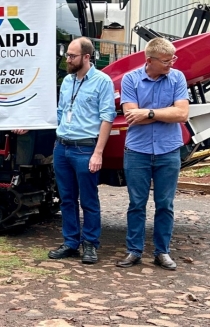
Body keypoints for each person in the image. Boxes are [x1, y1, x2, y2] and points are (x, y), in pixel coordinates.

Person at [116, 38, 188, 270]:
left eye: (172, 59)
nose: (171, 64)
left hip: (168, 150)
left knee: (165, 204)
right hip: (138, 151)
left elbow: (182, 114)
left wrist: (147, 113)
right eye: (167, 61)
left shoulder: (177, 77)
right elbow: (130, 115)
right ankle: (134, 251)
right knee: (136, 203)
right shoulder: (131, 79)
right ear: (150, 60)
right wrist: (164, 112)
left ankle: (162, 252)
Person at [48, 37, 115, 265]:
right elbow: (60, 111)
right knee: (66, 199)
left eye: (72, 56)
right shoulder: (67, 81)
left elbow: (107, 118)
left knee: (88, 200)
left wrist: (98, 152)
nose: (68, 59)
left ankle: (90, 244)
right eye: (67, 55)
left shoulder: (102, 81)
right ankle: (70, 242)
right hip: (62, 146)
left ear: (87, 57)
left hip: (85, 148)